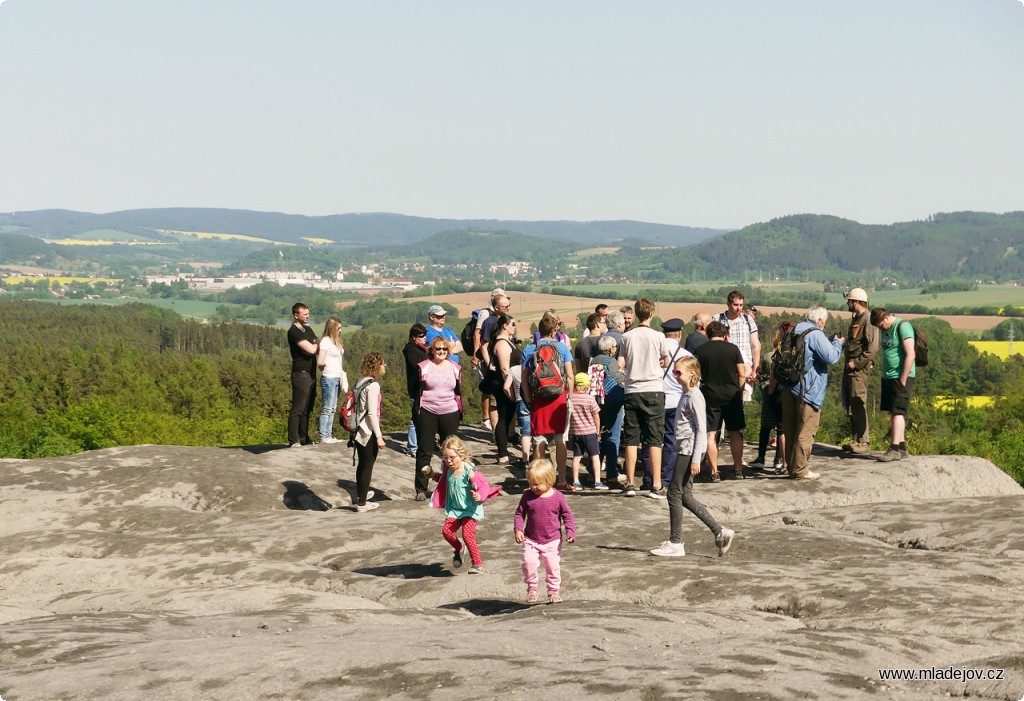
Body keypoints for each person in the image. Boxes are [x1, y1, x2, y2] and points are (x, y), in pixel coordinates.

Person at [650, 356, 735, 558]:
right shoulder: (686, 393)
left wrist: (697, 458)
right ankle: (720, 532)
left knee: (673, 493)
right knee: (685, 496)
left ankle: (676, 542)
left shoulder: (695, 395)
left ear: (692, 373)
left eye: (678, 372)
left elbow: (701, 428)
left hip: (688, 451)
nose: (675, 375)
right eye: (674, 372)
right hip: (684, 449)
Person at [778, 306, 844, 481]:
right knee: (806, 430)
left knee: (791, 429)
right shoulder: (815, 334)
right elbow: (831, 357)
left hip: (788, 386)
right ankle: (800, 470)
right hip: (808, 389)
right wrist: (838, 343)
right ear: (820, 320)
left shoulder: (794, 329)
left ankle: (791, 467)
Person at [619, 298, 671, 497]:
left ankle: (630, 483)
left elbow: (622, 363)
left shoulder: (627, 337)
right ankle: (656, 484)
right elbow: (665, 360)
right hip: (654, 389)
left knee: (632, 439)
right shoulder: (658, 336)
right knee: (655, 439)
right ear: (652, 313)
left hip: (632, 390)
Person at [429, 435, 501, 574]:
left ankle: (477, 564)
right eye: (445, 458)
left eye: (452, 457)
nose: (449, 461)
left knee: (467, 535)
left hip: (470, 509)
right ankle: (460, 549)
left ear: (461, 455)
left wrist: (479, 495)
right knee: (447, 531)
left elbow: (483, 486)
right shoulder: (449, 469)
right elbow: (443, 480)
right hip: (455, 510)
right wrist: (433, 475)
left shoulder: (469, 471)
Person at [521, 312, 574, 485]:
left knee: (539, 440)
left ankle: (540, 480)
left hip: (538, 398)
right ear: (553, 331)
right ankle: (562, 479)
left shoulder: (529, 349)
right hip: (558, 398)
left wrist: (529, 399)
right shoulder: (563, 348)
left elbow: (524, 379)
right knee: (560, 439)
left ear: (539, 330)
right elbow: (570, 375)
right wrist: (569, 397)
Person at [514, 458, 576, 604]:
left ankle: (553, 591)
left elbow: (567, 515)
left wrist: (570, 531)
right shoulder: (527, 496)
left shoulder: (558, 497)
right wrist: (518, 529)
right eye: (530, 483)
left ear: (549, 481)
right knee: (528, 564)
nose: (533, 487)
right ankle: (532, 588)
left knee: (553, 567)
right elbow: (519, 513)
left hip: (552, 540)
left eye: (537, 484)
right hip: (531, 539)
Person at [693, 321, 747, 482]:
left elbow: (695, 374)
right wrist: (740, 392)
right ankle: (738, 470)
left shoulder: (701, 350)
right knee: (735, 433)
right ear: (724, 335)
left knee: (711, 434)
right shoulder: (733, 349)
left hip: (709, 396)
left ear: (708, 334)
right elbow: (742, 374)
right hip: (732, 395)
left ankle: (714, 472)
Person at [413, 337, 464, 497]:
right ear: (432, 350)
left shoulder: (455, 367)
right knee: (424, 451)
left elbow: (458, 391)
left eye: (444, 349)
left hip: (450, 411)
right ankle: (421, 489)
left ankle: (449, 485)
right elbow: (416, 390)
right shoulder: (424, 367)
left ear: (448, 351)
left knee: (450, 451)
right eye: (438, 349)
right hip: (427, 411)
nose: (441, 352)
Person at [871, 307, 916, 462]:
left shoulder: (903, 326)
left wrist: (903, 379)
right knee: (893, 411)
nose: (880, 329)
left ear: (885, 318)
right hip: (889, 376)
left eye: (880, 325)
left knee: (898, 411)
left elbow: (911, 354)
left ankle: (894, 448)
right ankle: (902, 447)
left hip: (901, 376)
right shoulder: (885, 329)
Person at [750, 322, 792, 473]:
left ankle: (761, 458)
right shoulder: (794, 352)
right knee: (781, 428)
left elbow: (767, 373)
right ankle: (779, 460)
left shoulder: (770, 356)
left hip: (771, 392)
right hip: (787, 393)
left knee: (766, 426)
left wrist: (769, 390)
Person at [842, 288, 879, 454]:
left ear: (855, 301)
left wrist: (856, 363)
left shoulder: (868, 320)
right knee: (851, 404)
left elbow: (872, 349)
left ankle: (863, 441)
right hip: (850, 368)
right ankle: (855, 440)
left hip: (858, 370)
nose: (848, 304)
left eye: (849, 301)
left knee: (859, 402)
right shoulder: (857, 319)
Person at [351, 352, 387, 512]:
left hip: (357, 428)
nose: (385, 366)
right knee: (367, 465)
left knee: (362, 464)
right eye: (383, 363)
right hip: (368, 431)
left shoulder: (360, 380)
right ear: (376, 366)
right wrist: (379, 437)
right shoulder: (373, 385)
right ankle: (362, 504)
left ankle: (361, 495)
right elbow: (372, 413)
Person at [714, 291, 761, 404]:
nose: (738, 308)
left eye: (741, 305)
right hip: (723, 370)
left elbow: (755, 345)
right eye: (736, 305)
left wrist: (755, 369)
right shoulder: (717, 319)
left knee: (742, 405)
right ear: (728, 304)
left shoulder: (747, 320)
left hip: (745, 370)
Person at [591, 335, 626, 484]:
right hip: (611, 402)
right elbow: (615, 377)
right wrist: (623, 374)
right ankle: (612, 473)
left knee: (598, 437)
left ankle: (593, 472)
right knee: (613, 436)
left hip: (597, 401)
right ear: (611, 348)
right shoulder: (610, 361)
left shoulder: (594, 360)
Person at [486, 313, 520, 465]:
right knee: (503, 418)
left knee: (506, 419)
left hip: (506, 385)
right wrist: (510, 389)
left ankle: (504, 452)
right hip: (504, 387)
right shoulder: (502, 344)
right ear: (504, 326)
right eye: (512, 324)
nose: (514, 326)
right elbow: (505, 368)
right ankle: (503, 454)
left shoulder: (505, 342)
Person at [475, 290, 510, 431]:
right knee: (494, 396)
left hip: (500, 362)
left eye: (509, 305)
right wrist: (489, 364)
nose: (508, 308)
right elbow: (484, 345)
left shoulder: (504, 320)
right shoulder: (490, 321)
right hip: (493, 365)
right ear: (496, 307)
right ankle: (496, 430)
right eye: (505, 306)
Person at [287, 302, 319, 448]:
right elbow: (312, 349)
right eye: (304, 314)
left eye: (308, 313)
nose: (308, 316)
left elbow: (316, 346)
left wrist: (314, 346)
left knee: (307, 408)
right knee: (298, 408)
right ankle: (293, 440)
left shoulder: (308, 329)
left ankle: (304, 438)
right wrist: (314, 346)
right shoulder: (294, 331)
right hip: (301, 374)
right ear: (296, 315)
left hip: (311, 374)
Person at [568, 372, 603, 491]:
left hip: (576, 432)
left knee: (576, 457)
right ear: (587, 386)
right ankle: (598, 481)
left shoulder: (571, 398)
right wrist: (597, 430)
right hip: (590, 432)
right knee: (595, 456)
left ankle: (576, 481)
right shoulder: (590, 399)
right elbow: (596, 416)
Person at [316, 316, 348, 445]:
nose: (340, 330)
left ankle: (328, 434)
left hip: (337, 377)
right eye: (338, 328)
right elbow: (320, 361)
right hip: (329, 377)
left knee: (333, 408)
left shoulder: (336, 342)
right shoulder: (325, 341)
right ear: (332, 328)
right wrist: (326, 367)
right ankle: (323, 436)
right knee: (327, 408)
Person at [402, 324, 429, 461]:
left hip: (422, 389)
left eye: (425, 335)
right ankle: (413, 447)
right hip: (417, 389)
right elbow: (419, 367)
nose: (424, 338)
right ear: (413, 337)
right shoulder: (412, 350)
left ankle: (417, 445)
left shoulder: (420, 349)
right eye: (421, 336)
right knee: (415, 418)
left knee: (422, 418)